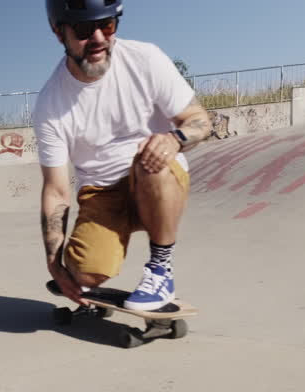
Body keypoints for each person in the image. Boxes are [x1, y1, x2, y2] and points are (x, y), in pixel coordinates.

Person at [34, 0, 213, 311]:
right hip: (100, 194)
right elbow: (56, 190)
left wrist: (174, 139)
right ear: (57, 31)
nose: (99, 39)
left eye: (107, 25)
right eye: (84, 30)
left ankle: (160, 270)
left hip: (157, 178)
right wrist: (54, 263)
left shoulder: (145, 59)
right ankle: (88, 269)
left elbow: (199, 120)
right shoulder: (50, 105)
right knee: (83, 273)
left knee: (151, 156)